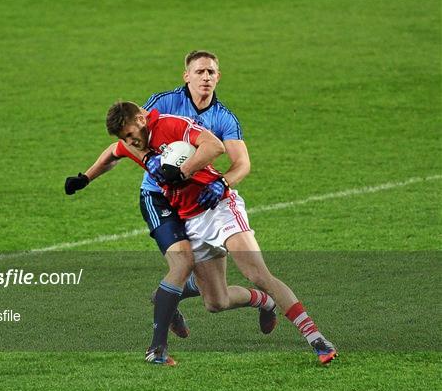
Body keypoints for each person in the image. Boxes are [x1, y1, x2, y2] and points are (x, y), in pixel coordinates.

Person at [82, 101, 338, 365]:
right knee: (216, 302)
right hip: (191, 221)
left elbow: (215, 145)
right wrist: (84, 178)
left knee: (257, 273)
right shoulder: (138, 143)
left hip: (219, 208)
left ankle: (316, 339)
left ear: (140, 119)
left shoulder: (171, 125)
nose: (130, 141)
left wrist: (184, 170)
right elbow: (114, 152)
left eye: (130, 134)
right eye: (125, 137)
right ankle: (262, 302)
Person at [66, 51, 278, 364]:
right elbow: (124, 145)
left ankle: (253, 300)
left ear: (218, 76)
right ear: (187, 76)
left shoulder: (222, 118)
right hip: (158, 198)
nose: (205, 77)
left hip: (196, 197)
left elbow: (241, 162)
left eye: (211, 71)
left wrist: (220, 182)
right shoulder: (161, 105)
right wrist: (85, 177)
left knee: (215, 300)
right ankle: (158, 346)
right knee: (181, 264)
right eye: (199, 71)